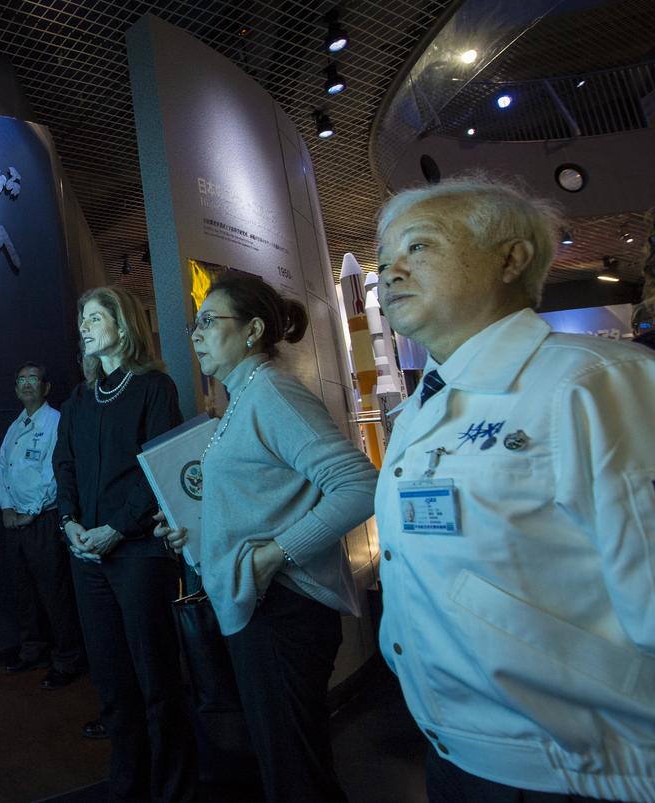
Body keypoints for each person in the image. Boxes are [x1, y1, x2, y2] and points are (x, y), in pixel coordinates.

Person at [374, 175, 655, 802]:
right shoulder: (426, 404)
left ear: (512, 258)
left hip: (589, 772)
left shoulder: (596, 384)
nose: (391, 271)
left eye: (418, 247)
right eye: (386, 257)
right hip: (459, 754)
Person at [158, 273, 376, 802]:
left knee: (296, 775)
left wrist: (276, 556)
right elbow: (258, 500)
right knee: (287, 764)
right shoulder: (243, 397)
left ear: (253, 329)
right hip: (264, 608)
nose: (197, 334)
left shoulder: (272, 392)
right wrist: (196, 533)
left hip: (285, 610)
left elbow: (361, 485)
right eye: (196, 323)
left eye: (210, 322)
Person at [54, 286, 196, 802]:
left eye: (95, 318)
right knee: (112, 685)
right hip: (87, 556)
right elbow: (63, 466)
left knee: (157, 680)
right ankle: (127, 787)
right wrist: (69, 521)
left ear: (123, 324)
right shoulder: (78, 399)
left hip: (137, 554)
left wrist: (117, 527)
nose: (85, 327)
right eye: (82, 319)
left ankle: (175, 791)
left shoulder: (155, 388)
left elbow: (159, 468)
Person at [0, 361, 85, 689]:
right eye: (21, 379)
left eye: (33, 379)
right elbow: (0, 465)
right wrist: (6, 506)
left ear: (46, 387)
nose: (27, 384)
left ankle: (68, 659)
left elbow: (56, 471)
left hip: (43, 521)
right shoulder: (16, 425)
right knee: (25, 593)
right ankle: (32, 650)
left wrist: (31, 511)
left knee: (55, 594)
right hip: (15, 522)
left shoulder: (56, 422)